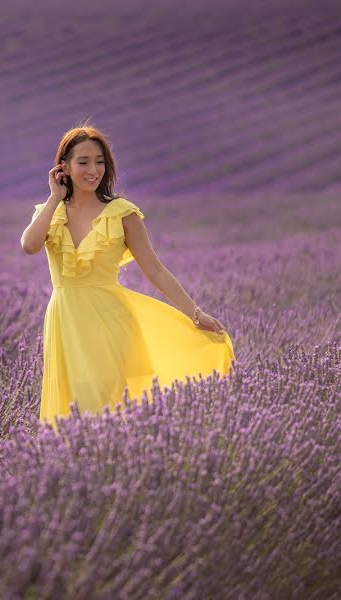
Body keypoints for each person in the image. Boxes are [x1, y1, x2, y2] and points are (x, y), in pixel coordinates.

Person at [20, 123, 236, 431]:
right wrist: (55, 198)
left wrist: (195, 313)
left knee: (104, 405)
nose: (93, 170)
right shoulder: (49, 211)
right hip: (65, 320)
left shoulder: (122, 213)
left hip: (111, 320)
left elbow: (155, 270)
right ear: (63, 167)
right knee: (70, 412)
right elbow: (29, 246)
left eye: (99, 161)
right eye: (83, 162)